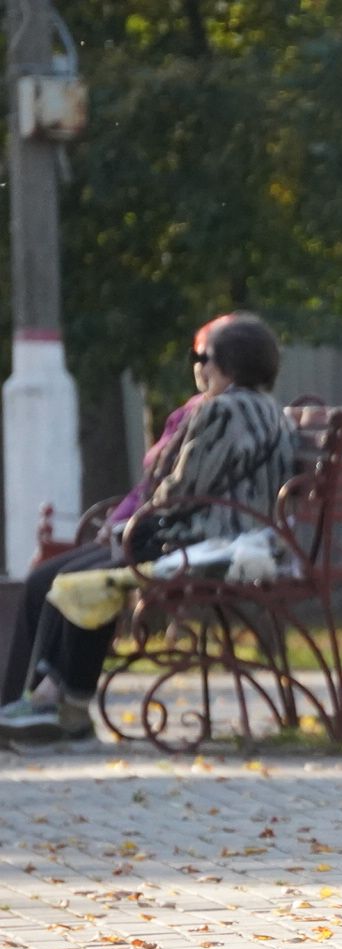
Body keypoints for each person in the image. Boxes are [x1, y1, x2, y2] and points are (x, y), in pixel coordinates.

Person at [0, 312, 296, 745]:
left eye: (204, 358)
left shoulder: (224, 409)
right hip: (219, 534)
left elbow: (185, 487)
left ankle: (54, 703)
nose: (199, 367)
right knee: (53, 576)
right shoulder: (267, 409)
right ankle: (39, 701)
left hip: (204, 540)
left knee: (67, 579)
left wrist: (134, 520)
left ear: (228, 363)